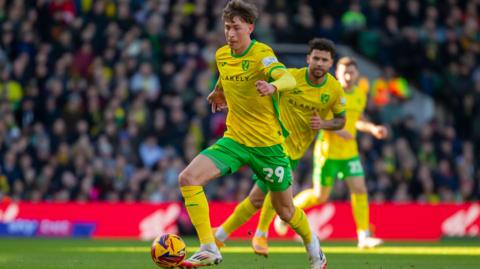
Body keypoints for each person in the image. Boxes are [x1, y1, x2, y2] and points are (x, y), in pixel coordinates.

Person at [178, 1, 327, 268]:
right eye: (227, 27)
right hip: (235, 140)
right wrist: (218, 90)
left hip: (268, 146)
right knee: (188, 178)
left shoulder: (262, 53)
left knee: (285, 211)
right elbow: (227, 75)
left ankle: (313, 246)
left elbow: (288, 79)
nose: (230, 34)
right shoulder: (222, 55)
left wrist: (273, 86)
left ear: (250, 27)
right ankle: (208, 247)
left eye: (236, 28)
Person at [211, 38, 346, 263]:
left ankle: (225, 235)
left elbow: (341, 121)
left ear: (331, 63)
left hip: (293, 152)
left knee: (261, 199)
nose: (319, 63)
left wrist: (323, 124)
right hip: (272, 143)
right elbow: (261, 85)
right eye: (316, 58)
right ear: (308, 59)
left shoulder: (333, 90)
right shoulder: (290, 78)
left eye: (324, 60)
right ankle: (253, 235)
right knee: (264, 198)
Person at [272, 57, 388, 249]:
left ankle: (363, 235)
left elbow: (357, 119)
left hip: (349, 153)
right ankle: (286, 211)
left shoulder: (360, 94)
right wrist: (337, 129)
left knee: (359, 189)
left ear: (357, 74)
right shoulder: (330, 93)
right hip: (327, 153)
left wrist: (372, 128)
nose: (349, 76)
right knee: (319, 196)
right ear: (338, 74)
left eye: (352, 72)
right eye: (345, 72)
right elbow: (317, 121)